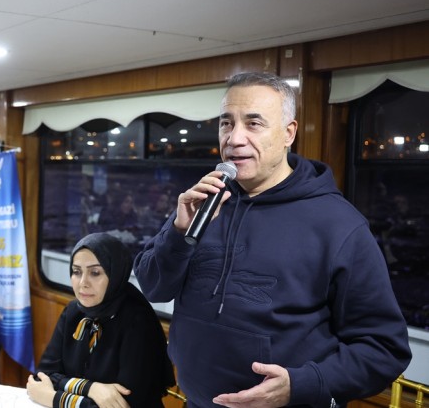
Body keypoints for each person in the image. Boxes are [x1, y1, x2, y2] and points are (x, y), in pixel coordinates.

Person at [133, 72, 411, 407]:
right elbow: (153, 287)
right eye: (226, 123)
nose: (234, 138)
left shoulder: (338, 225)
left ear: (288, 133)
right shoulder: (204, 203)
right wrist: (178, 234)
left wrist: (301, 384)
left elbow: (384, 349)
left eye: (253, 123)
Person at [27, 233, 174, 408]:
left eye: (95, 273)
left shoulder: (138, 322)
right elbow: (43, 376)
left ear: (115, 274)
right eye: (76, 272)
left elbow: (123, 405)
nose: (83, 283)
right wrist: (91, 388)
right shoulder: (74, 312)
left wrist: (53, 398)